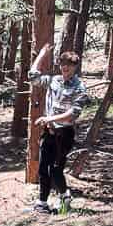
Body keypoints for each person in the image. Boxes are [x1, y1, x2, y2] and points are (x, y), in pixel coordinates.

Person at [27, 41, 87, 212]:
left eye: (68, 66)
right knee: (42, 168)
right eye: (62, 65)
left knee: (56, 169)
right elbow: (33, 76)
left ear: (75, 67)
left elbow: (73, 113)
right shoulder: (54, 81)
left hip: (65, 134)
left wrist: (49, 118)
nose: (65, 69)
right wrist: (42, 54)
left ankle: (65, 196)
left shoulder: (80, 87)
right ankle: (42, 203)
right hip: (49, 132)